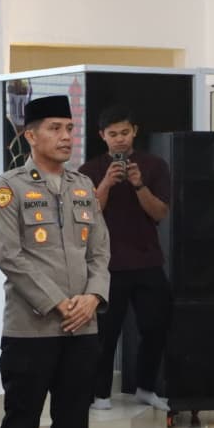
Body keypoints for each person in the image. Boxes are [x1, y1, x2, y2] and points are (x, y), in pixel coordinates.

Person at [0, 95, 113, 428]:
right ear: (31, 135)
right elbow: (11, 257)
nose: (65, 137)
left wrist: (93, 297)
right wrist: (60, 302)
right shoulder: (9, 187)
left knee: (73, 421)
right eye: (55, 128)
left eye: (69, 128)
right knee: (20, 422)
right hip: (32, 328)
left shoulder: (82, 185)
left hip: (83, 325)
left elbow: (100, 251)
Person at [77, 106, 172, 411]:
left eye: (125, 132)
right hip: (107, 264)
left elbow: (160, 212)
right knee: (106, 333)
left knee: (156, 327)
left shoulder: (154, 165)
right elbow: (88, 215)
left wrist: (139, 184)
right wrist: (106, 183)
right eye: (113, 134)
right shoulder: (88, 170)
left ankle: (146, 387)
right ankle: (100, 394)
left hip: (148, 260)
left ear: (135, 132)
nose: (119, 139)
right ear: (102, 136)